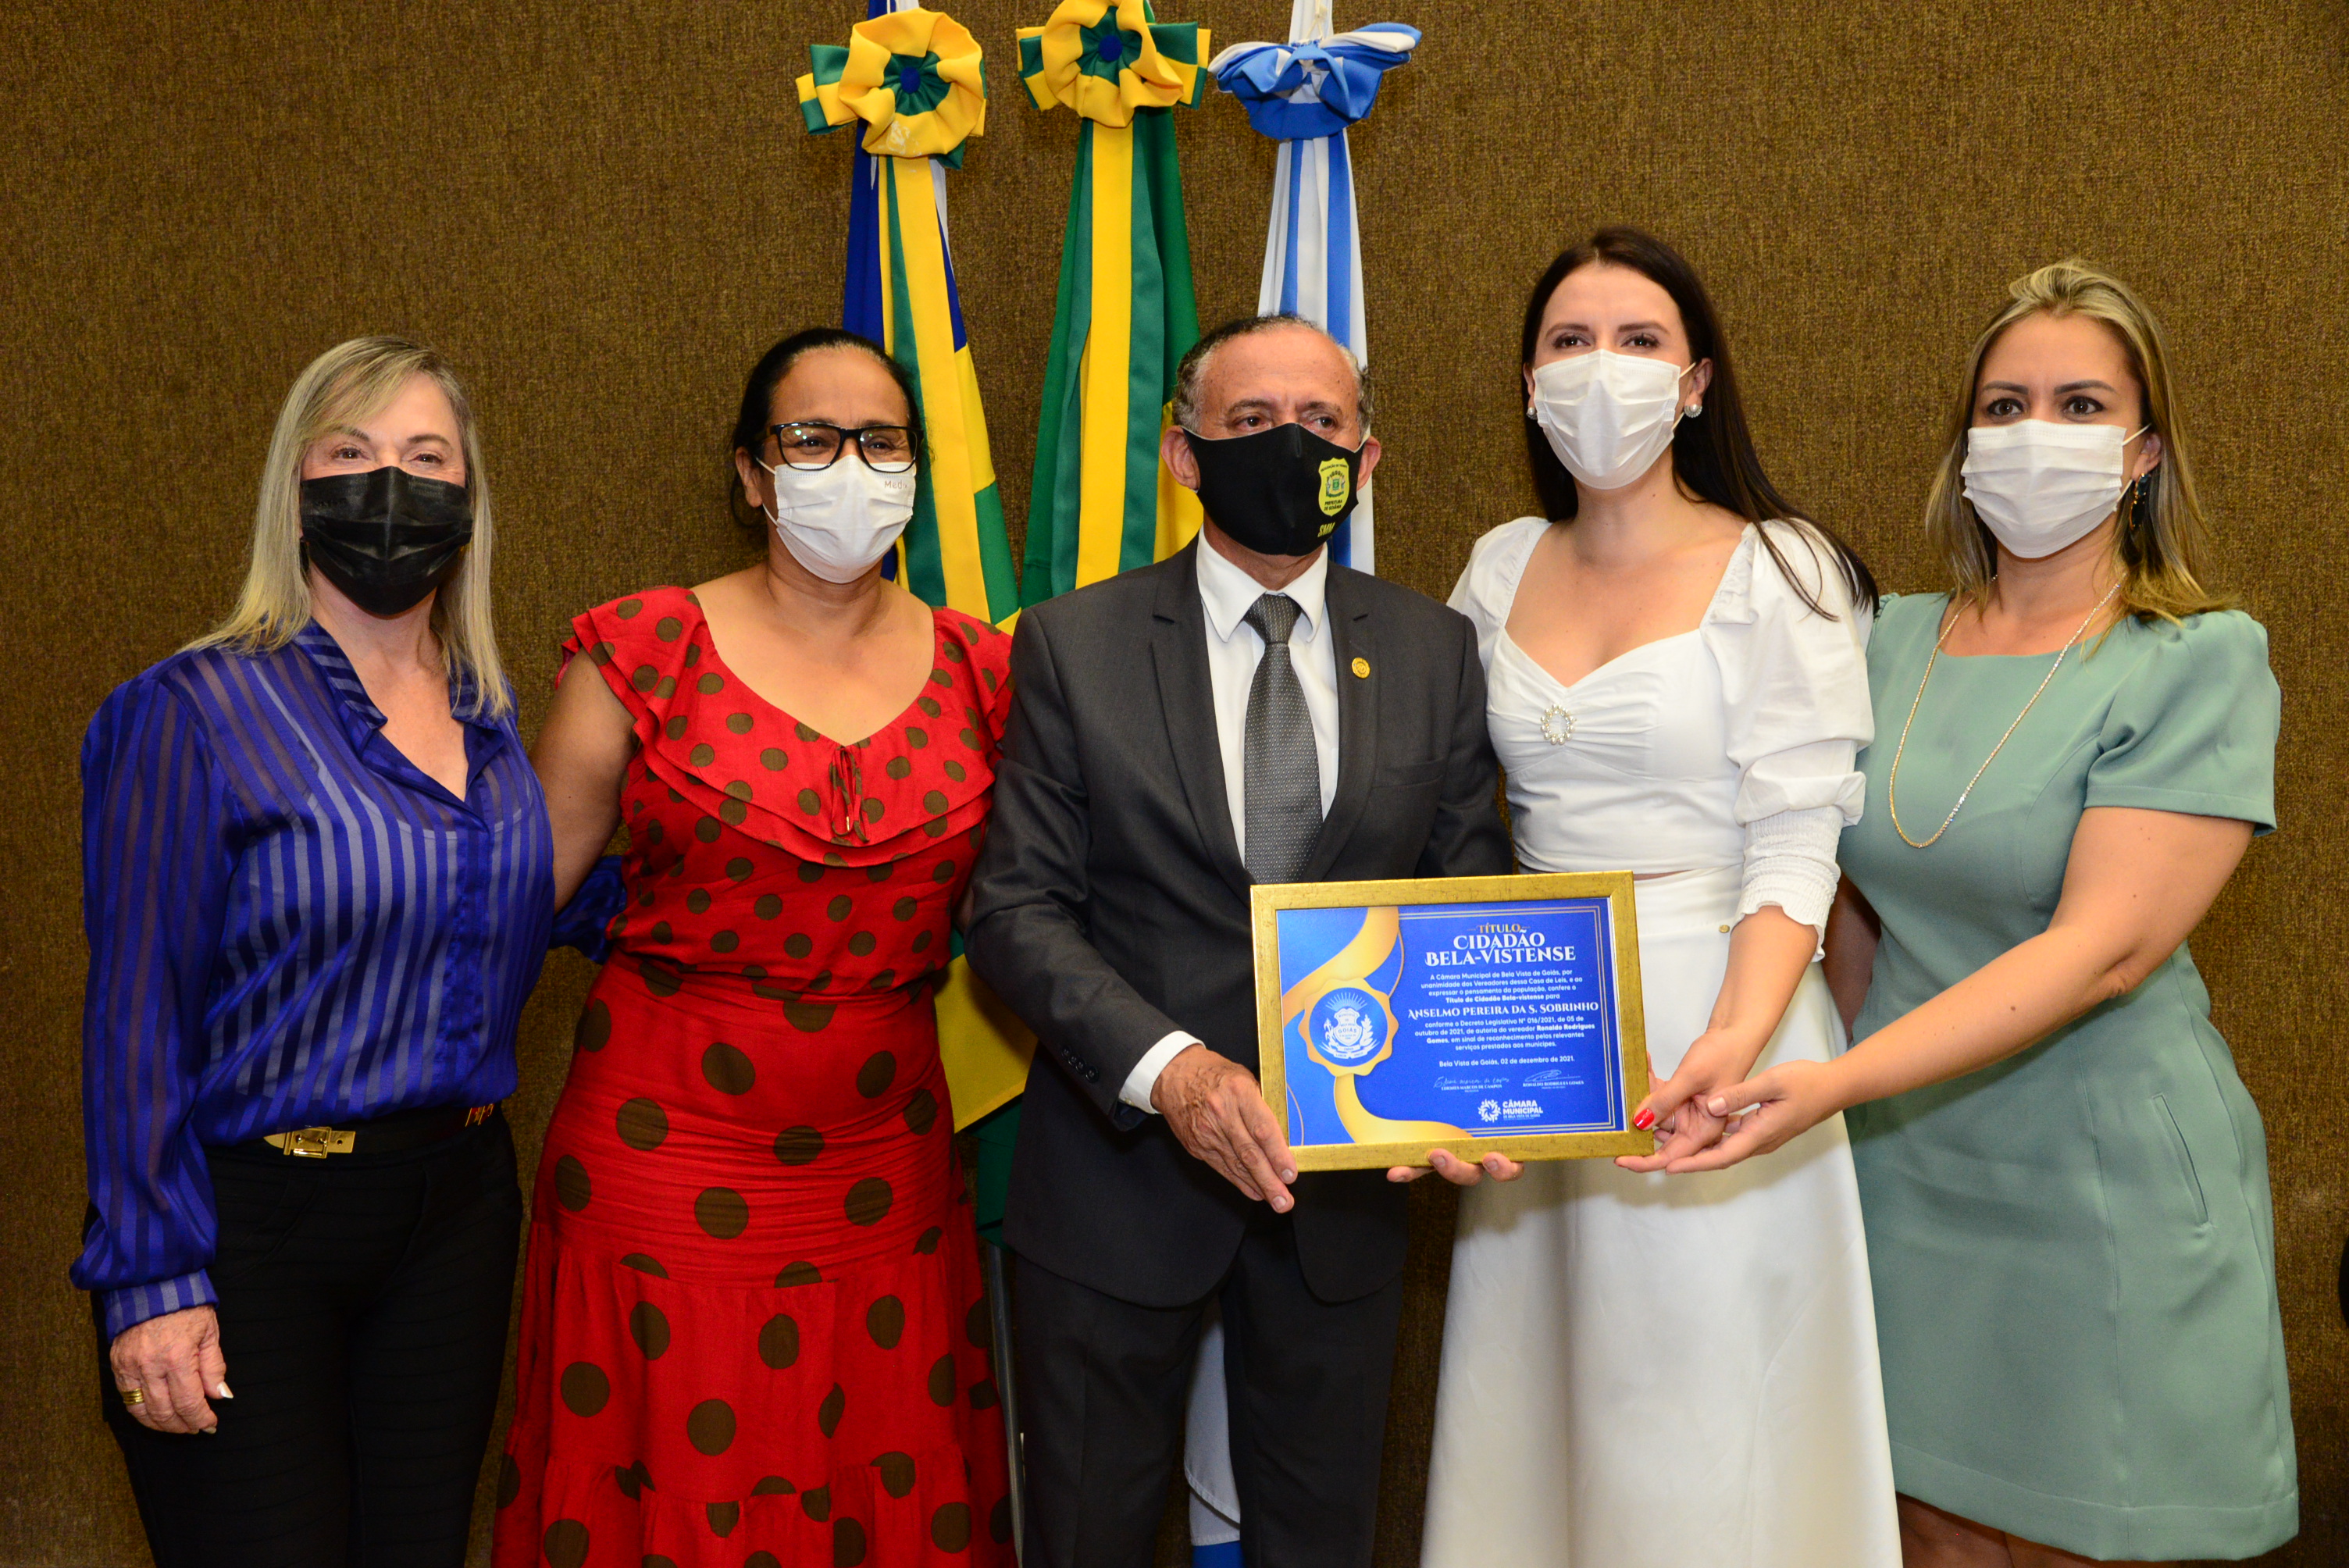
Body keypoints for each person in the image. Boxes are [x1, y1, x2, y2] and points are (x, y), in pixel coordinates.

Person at [1674, 260, 2297, 1566]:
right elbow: (1848, 906)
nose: (2035, 435)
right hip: (1905, 1169)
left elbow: (2103, 952)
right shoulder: (1884, 639)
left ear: (2144, 452)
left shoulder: (2198, 658)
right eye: (2005, 406)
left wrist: (1833, 1083)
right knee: (1916, 1527)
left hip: (2099, 1179)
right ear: (1964, 445)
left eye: (2082, 406)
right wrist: (1779, 1066)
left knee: (2082, 1536)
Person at [964, 312, 1513, 1568]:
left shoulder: (1431, 649)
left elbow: (1465, 899)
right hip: (1115, 1190)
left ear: (1365, 459)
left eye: (1322, 421)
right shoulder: (1073, 643)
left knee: (1322, 1542)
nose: (1291, 445)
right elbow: (1014, 910)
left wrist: (1467, 1083)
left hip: (1345, 1198)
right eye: (1252, 420)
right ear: (1183, 454)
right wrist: (1176, 1075)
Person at [1417, 228, 1901, 1568]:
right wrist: (1441, 1066)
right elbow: (1445, 827)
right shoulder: (1497, 564)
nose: (1602, 368)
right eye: (1570, 341)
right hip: (1536, 1020)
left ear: (1694, 385)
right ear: (1530, 384)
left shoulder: (1785, 569)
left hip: (1724, 1013)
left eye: (1639, 341)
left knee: (1697, 1420)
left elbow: (1798, 845)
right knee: (1544, 1418)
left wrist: (1727, 1053)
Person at [497, 328, 1014, 1568]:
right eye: (812, 439)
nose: (851, 465)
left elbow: (1037, 913)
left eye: (881, 441)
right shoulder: (643, 651)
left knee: (887, 1484)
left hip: (888, 1173)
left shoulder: (986, 671)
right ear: (751, 473)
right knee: (679, 1487)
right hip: (662, 1155)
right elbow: (508, 905)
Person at [74, 335, 587, 1566]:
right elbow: (136, 1017)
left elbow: (518, 905)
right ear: (292, 487)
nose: (389, 486)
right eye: (350, 453)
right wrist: (152, 1282)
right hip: (251, 1228)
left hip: (456, 1215)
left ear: (469, 497)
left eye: (426, 457)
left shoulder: (494, 721)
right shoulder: (192, 711)